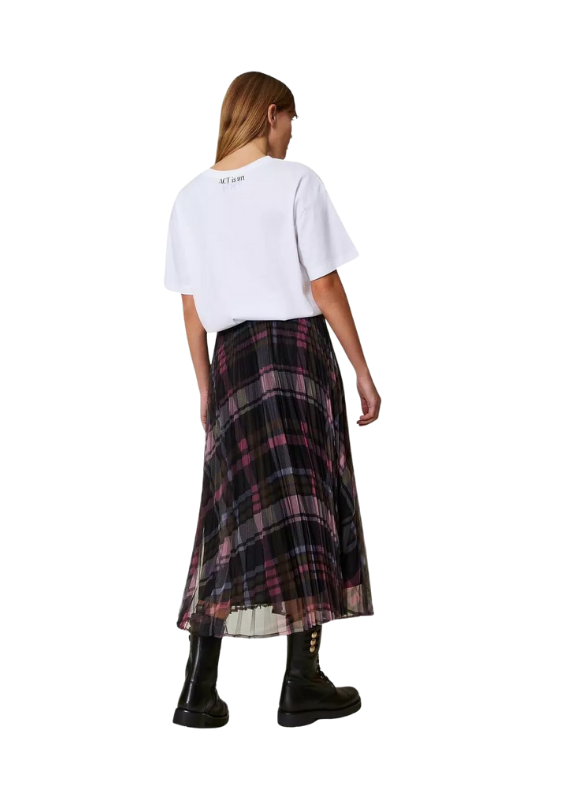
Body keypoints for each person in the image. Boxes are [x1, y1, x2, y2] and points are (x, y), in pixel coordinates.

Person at [163, 70, 381, 729]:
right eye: (290, 121)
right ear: (270, 114)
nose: (291, 134)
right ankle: (302, 682)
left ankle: (197, 693)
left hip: (231, 366)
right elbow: (325, 285)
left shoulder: (190, 196)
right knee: (306, 505)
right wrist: (362, 371)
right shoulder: (296, 181)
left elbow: (191, 312)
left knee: (226, 518)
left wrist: (207, 393)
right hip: (294, 357)